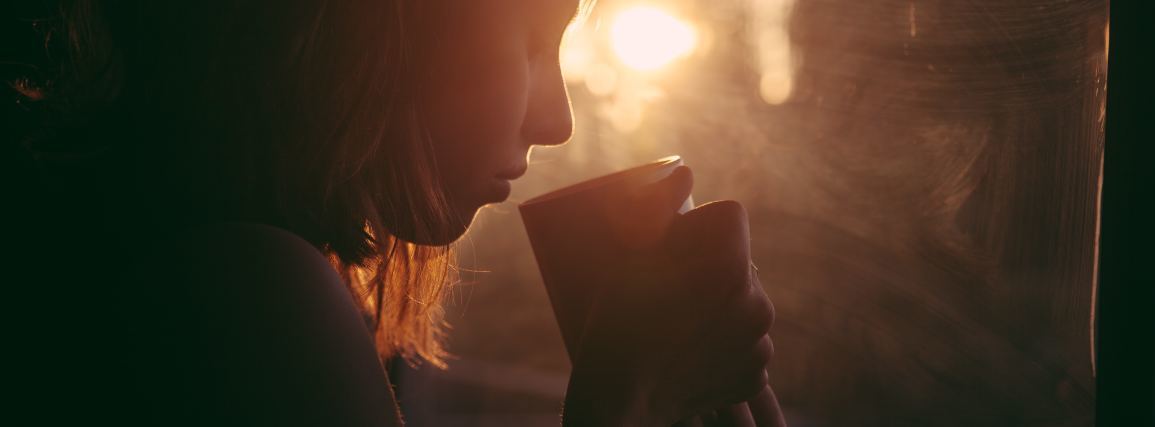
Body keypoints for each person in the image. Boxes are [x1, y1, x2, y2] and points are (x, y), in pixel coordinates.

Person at [8, 0, 782, 425]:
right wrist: (629, 394)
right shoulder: (243, 293)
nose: (557, 121)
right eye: (535, 42)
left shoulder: (190, 251)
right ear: (388, 25)